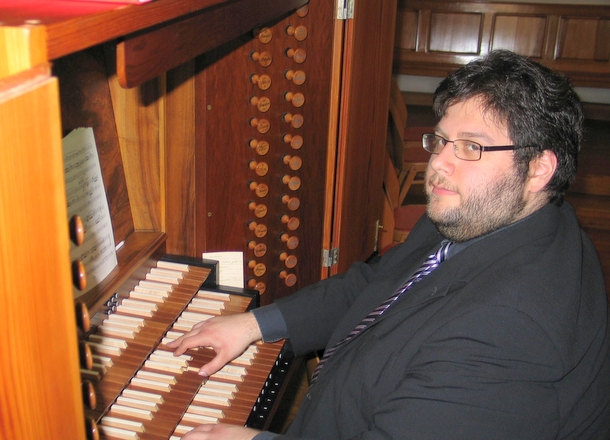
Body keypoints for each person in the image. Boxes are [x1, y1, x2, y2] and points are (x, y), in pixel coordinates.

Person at [167, 50, 610, 439]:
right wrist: (255, 325)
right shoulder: (485, 217)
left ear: (538, 170)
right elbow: (375, 282)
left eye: (471, 147)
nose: (438, 163)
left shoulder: (511, 329)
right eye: (440, 140)